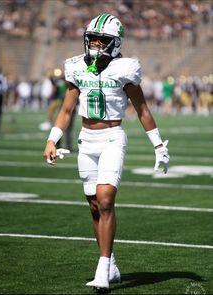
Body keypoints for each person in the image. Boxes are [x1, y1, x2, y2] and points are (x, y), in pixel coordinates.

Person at [43, 14, 170, 291]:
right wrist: (52, 139)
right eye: (93, 38)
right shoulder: (77, 68)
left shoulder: (125, 69)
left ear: (116, 42)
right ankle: (110, 263)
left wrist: (158, 145)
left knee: (105, 200)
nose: (97, 43)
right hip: (86, 141)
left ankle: (101, 269)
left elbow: (142, 109)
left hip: (112, 137)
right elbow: (66, 110)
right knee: (93, 206)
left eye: (104, 39)